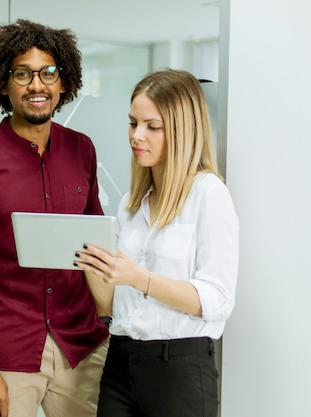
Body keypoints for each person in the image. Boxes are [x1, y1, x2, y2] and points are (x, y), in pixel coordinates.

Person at [0, 19, 109, 417]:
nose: (37, 85)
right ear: (4, 83)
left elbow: (97, 247)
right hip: (7, 351)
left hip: (82, 346)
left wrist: (110, 322)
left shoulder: (82, 149)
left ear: (64, 82)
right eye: (23, 73)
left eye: (48, 73)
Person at [74, 68, 239, 417]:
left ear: (182, 131)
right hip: (120, 362)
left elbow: (218, 300)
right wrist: (88, 257)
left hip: (179, 370)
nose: (136, 135)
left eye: (152, 126)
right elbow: (110, 306)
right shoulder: (131, 204)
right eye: (133, 123)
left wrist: (139, 278)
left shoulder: (209, 194)